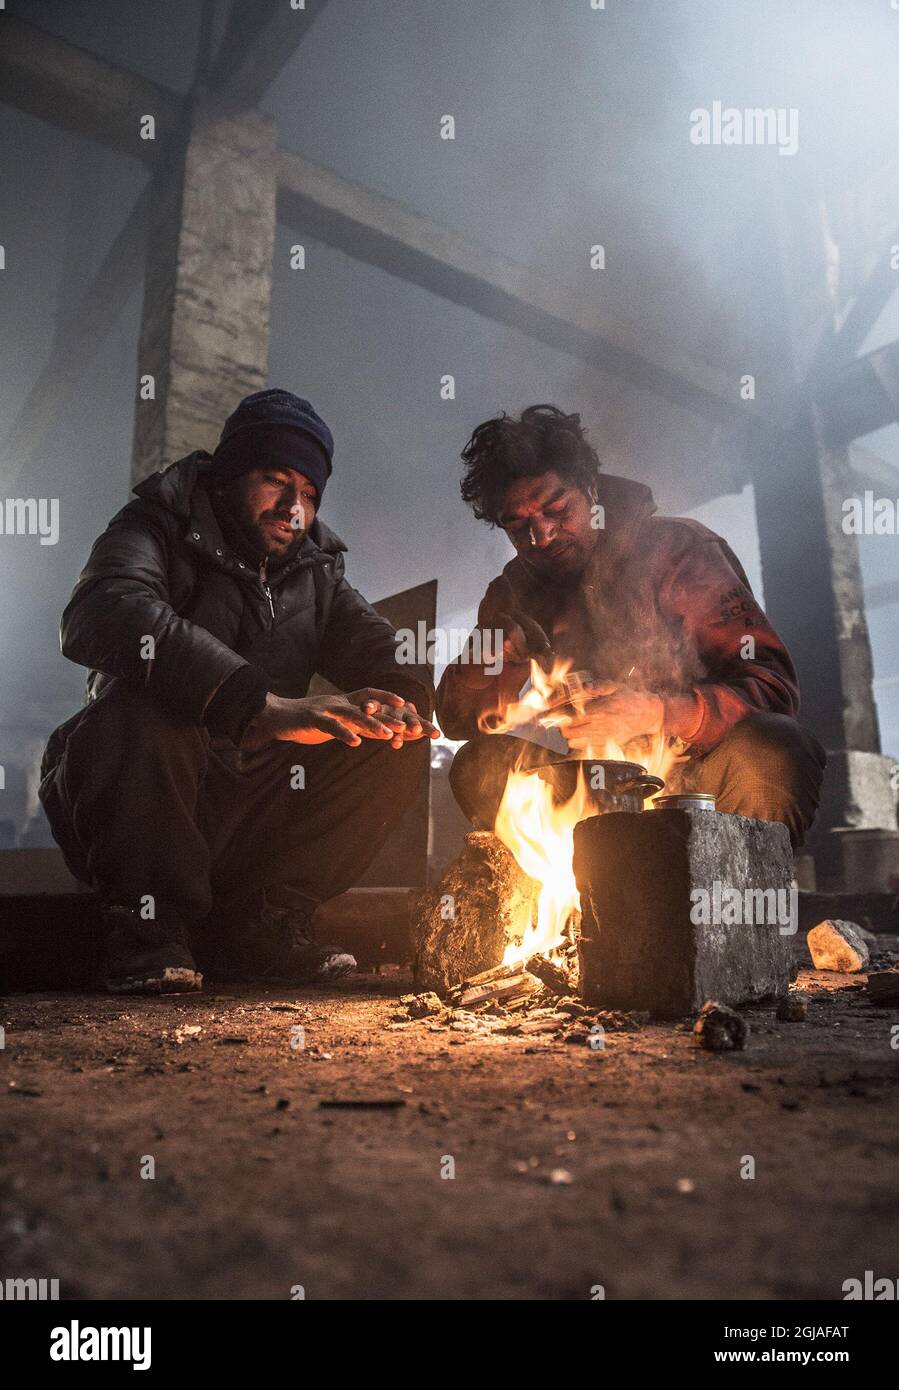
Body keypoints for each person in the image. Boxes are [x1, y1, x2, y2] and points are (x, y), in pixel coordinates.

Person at [40, 389, 437, 993]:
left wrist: (405, 699)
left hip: (252, 797)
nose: (292, 507)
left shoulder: (316, 566)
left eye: (308, 493)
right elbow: (104, 610)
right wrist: (260, 706)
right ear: (229, 476)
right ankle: (150, 931)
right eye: (275, 480)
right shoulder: (158, 523)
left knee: (390, 742)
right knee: (152, 711)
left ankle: (264, 925)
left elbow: (386, 651)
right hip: (146, 793)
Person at [437, 403, 825, 846]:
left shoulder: (679, 552)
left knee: (774, 751)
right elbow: (457, 723)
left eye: (557, 510)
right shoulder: (510, 593)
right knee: (480, 764)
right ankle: (571, 908)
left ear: (590, 489)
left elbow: (772, 689)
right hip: (596, 793)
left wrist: (657, 712)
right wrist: (479, 666)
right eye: (518, 524)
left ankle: (727, 904)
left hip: (706, 782)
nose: (540, 536)